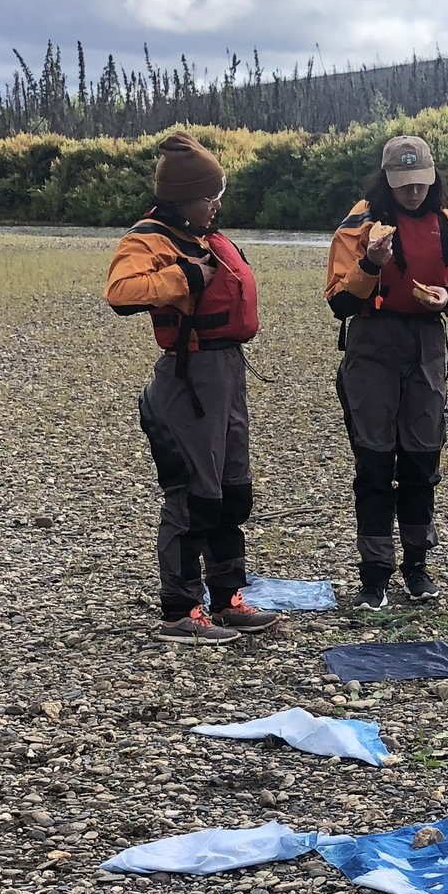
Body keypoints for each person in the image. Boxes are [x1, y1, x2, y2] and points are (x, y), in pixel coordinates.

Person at [103, 130, 281, 645]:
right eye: (210, 198)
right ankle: (180, 609)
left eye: (217, 197)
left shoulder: (206, 237)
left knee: (232, 491)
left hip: (227, 372)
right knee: (193, 493)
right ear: (183, 198)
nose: (215, 206)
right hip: (188, 378)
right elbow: (120, 292)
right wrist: (183, 277)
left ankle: (227, 597)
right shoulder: (149, 239)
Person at [325, 134, 448, 607]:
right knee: (374, 461)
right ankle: (374, 573)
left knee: (421, 459)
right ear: (387, 181)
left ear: (433, 178)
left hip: (426, 344)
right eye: (403, 185)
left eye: (420, 184)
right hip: (371, 342)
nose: (413, 193)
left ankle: (417, 565)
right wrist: (370, 264)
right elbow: (339, 302)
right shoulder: (359, 227)